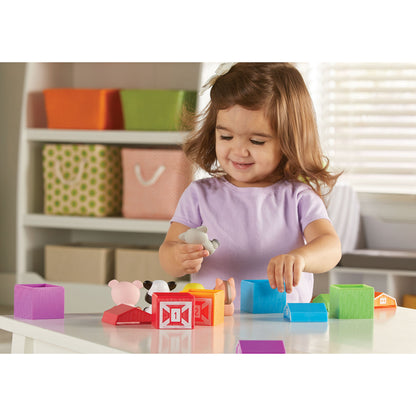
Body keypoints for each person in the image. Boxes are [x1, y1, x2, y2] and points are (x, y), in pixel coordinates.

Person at [159, 63, 342, 310]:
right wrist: (178, 257)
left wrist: (301, 257)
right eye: (226, 137)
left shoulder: (299, 196)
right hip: (215, 319)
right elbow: (168, 252)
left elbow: (331, 247)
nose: (238, 150)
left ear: (289, 141)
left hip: (282, 321)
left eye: (256, 141)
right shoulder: (199, 195)